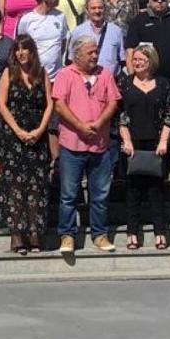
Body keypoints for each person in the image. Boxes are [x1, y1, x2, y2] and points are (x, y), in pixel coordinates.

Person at [52, 37, 122, 255]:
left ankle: (100, 234)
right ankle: (67, 235)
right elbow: (59, 105)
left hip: (99, 145)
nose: (95, 56)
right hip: (72, 145)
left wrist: (99, 123)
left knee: (100, 194)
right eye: (90, 52)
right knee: (69, 194)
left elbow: (113, 102)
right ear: (77, 55)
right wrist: (80, 126)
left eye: (96, 51)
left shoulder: (105, 74)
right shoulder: (65, 74)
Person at [0, 36, 54, 254]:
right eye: (17, 50)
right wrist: (18, 131)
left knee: (36, 186)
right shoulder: (8, 73)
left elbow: (50, 104)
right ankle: (17, 235)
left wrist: (40, 130)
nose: (21, 53)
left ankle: (34, 232)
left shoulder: (42, 73)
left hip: (37, 137)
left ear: (32, 52)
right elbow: (1, 104)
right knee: (16, 187)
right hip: (14, 138)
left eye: (25, 49)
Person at [118, 45, 170, 251]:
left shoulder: (162, 84)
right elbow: (121, 116)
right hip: (132, 144)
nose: (137, 62)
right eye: (135, 59)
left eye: (142, 59)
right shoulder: (124, 83)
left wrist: (163, 141)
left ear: (151, 60)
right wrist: (126, 141)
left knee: (156, 190)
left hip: (156, 143)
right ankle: (132, 232)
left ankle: (160, 232)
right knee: (133, 190)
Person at [16, 0, 69, 80]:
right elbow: (21, 46)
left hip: (57, 78)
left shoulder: (61, 16)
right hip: (34, 76)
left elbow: (63, 43)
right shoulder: (26, 20)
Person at [69, 0, 126, 74]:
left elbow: (122, 60)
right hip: (85, 81)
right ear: (87, 10)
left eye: (100, 8)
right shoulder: (77, 32)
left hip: (111, 81)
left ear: (105, 9)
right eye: (93, 8)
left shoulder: (116, 31)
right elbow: (72, 60)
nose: (97, 11)